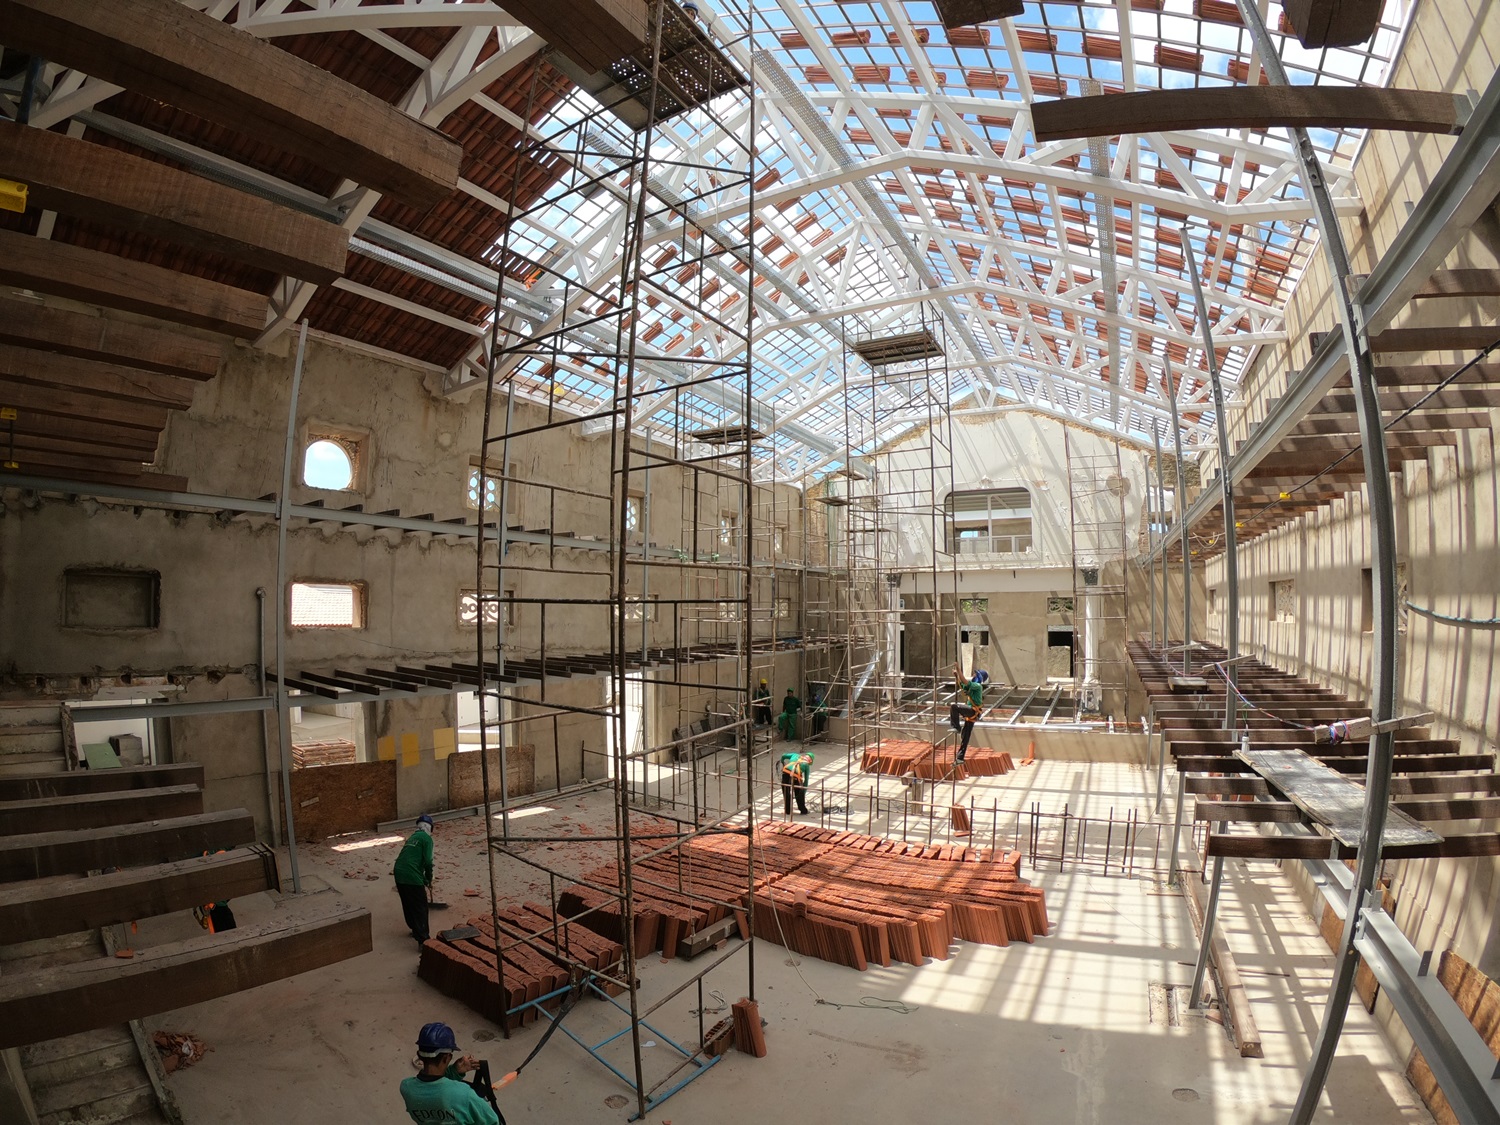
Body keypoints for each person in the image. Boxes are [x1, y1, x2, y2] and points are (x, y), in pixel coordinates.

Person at [400, 1022, 501, 1125]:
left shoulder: (406, 1087)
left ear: (419, 1056)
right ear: (446, 1058)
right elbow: (493, 1121)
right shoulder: (464, 1095)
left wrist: (453, 1071)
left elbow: (432, 1088)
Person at [393, 813, 435, 946]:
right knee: (420, 907)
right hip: (411, 874)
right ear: (430, 828)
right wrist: (429, 878)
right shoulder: (427, 839)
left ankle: (414, 928)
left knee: (408, 903)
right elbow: (428, 862)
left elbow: (413, 861)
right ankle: (423, 940)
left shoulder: (412, 837)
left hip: (399, 872)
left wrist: (424, 879)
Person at [950, 664, 988, 764]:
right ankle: (960, 758)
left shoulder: (977, 686)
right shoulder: (973, 687)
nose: (973, 676)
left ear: (978, 677)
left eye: (975, 674)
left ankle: (956, 727)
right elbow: (963, 686)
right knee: (965, 737)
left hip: (972, 711)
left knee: (954, 707)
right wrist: (956, 676)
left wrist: (959, 670)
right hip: (973, 714)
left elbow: (965, 682)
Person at [779, 750, 813, 815]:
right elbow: (806, 780)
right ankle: (803, 810)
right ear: (810, 761)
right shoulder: (806, 765)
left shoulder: (795, 755)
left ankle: (787, 811)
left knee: (786, 792)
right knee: (798, 792)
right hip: (796, 777)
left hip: (785, 773)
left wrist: (782, 761)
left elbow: (783, 755)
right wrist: (803, 792)